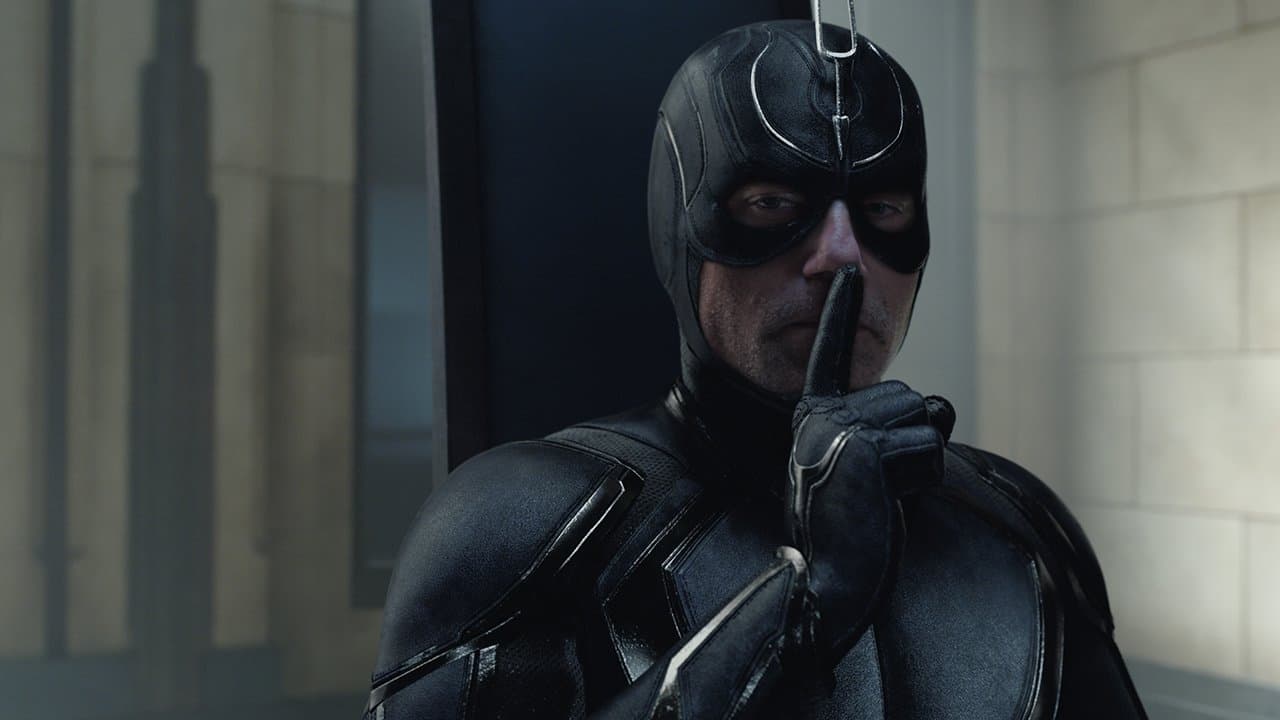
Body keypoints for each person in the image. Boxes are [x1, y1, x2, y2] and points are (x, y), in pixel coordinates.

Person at [363, 16, 1147, 719]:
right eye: (772, 203)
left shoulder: (1017, 524)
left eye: (882, 210)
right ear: (684, 225)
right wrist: (801, 601)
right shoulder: (526, 526)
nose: (842, 257)